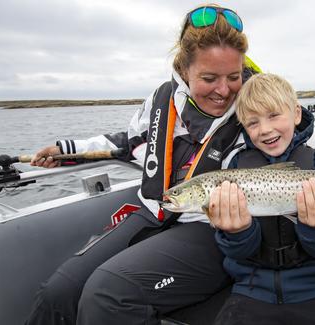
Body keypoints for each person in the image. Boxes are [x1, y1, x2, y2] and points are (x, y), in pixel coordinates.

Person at [25, 5, 259, 325]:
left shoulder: (255, 103)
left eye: (233, 76)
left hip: (215, 230)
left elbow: (290, 133)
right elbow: (130, 142)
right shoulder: (163, 99)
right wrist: (69, 150)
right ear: (184, 69)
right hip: (155, 212)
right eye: (209, 78)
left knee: (108, 294)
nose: (223, 90)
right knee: (59, 291)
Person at [208, 73, 315, 324]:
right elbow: (237, 253)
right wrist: (237, 232)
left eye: (273, 116)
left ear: (297, 114)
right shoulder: (237, 168)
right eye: (253, 123)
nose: (265, 129)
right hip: (250, 288)